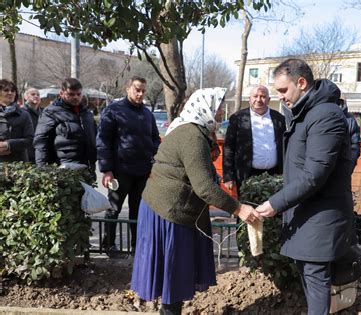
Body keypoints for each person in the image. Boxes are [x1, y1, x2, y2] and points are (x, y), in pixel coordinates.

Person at [130, 87, 259, 315]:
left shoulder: (191, 129)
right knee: (172, 278)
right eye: (219, 107)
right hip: (169, 213)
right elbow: (205, 188)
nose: (221, 113)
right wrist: (238, 208)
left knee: (173, 278)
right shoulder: (192, 136)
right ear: (206, 108)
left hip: (167, 210)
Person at [256, 59, 354, 315]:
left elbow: (315, 174)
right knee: (309, 277)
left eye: (283, 90)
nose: (280, 97)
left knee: (316, 279)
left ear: (301, 83)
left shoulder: (325, 115)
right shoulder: (308, 112)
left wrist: (274, 203)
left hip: (321, 216)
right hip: (307, 213)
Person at [96, 76, 161, 257]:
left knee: (138, 210)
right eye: (137, 89)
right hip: (119, 171)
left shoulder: (147, 114)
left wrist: (153, 156)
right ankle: (108, 245)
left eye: (143, 91)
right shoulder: (113, 111)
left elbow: (154, 138)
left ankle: (137, 246)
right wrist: (106, 169)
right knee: (113, 208)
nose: (140, 94)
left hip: (142, 171)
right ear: (128, 88)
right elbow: (103, 141)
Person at [223, 84, 285, 192]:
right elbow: (228, 148)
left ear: (269, 99)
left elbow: (286, 146)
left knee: (274, 208)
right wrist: (228, 176)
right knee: (248, 208)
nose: (258, 99)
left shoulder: (279, 119)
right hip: (246, 175)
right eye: (255, 96)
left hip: (275, 175)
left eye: (263, 96)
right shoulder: (237, 118)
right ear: (249, 99)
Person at [34, 78, 97, 174]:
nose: (76, 97)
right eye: (71, 94)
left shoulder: (87, 113)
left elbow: (96, 138)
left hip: (88, 168)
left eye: (78, 94)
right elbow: (41, 142)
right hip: (63, 170)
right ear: (61, 93)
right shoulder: (51, 112)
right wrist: (42, 170)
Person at [0, 79, 34, 162]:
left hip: (18, 163)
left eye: (13, 90)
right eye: (6, 90)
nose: (10, 93)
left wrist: (9, 144)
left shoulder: (24, 114)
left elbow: (30, 139)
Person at [338, 98, 361, 172]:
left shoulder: (350, 119)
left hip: (343, 169)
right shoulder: (321, 115)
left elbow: (355, 144)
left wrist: (349, 165)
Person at [23, 87, 42, 163]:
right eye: (33, 94)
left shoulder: (45, 112)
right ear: (26, 97)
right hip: (28, 153)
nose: (36, 96)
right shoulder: (21, 113)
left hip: (41, 151)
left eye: (38, 95)